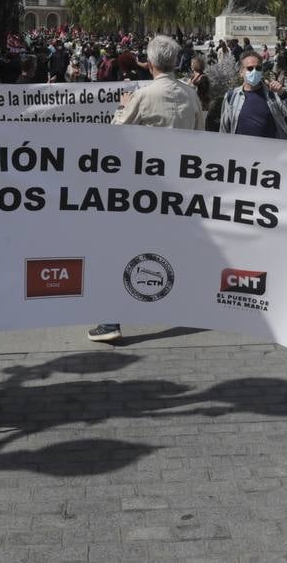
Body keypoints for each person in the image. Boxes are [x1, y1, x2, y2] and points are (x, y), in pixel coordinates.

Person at [90, 36, 204, 344]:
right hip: (179, 190)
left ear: (150, 63)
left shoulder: (143, 95)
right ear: (176, 62)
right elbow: (201, 139)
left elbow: (117, 134)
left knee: (119, 250)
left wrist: (122, 108)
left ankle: (110, 319)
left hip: (143, 190)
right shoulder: (190, 95)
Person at [219, 50, 287, 139]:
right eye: (250, 68)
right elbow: (224, 129)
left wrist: (282, 93)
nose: (254, 71)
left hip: (270, 150)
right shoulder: (231, 97)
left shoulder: (273, 94)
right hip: (241, 150)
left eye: (258, 68)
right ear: (241, 72)